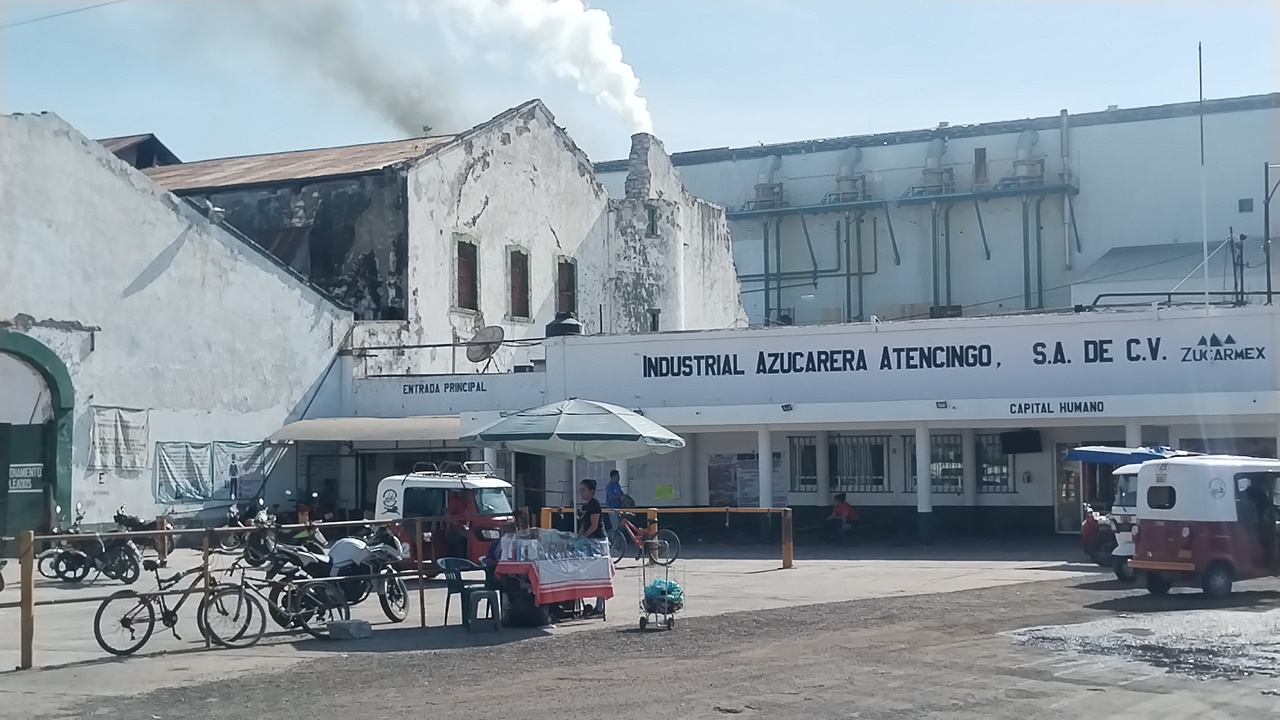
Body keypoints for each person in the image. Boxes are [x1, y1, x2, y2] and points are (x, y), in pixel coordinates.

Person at [577, 478, 607, 617]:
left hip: (597, 541)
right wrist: (577, 537)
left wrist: (584, 538)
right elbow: (584, 525)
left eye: (584, 489)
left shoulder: (594, 505)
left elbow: (594, 525)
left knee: (599, 572)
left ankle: (600, 607)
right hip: (588, 541)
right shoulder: (584, 506)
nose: (581, 492)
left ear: (591, 491)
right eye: (580, 489)